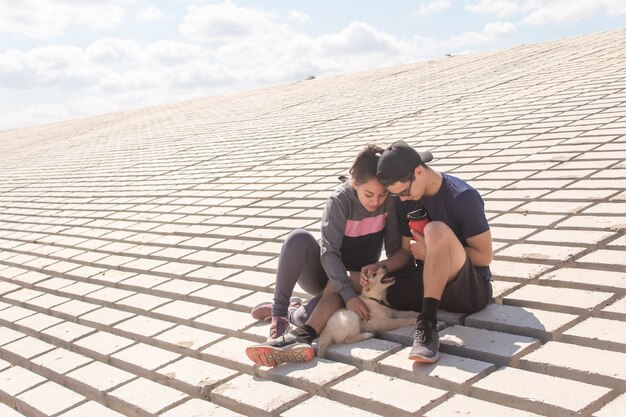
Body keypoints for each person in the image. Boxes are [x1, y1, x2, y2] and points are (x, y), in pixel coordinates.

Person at [245, 144, 421, 367]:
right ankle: (280, 314)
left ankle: (295, 314)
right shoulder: (339, 201)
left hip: (357, 276)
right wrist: (349, 296)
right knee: (297, 238)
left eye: (382, 194)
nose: (375, 201)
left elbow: (396, 252)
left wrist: (379, 266)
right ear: (355, 183)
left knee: (304, 319)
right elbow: (329, 254)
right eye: (368, 194)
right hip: (326, 272)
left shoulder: (389, 202)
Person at [376, 140, 493, 363]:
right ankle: (308, 318)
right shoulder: (405, 199)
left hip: (468, 288)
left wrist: (431, 252)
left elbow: (484, 255)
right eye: (396, 195)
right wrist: (381, 267)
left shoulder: (462, 197)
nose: (402, 199)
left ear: (419, 171)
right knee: (362, 284)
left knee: (435, 230)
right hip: (426, 279)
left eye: (404, 192)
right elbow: (405, 253)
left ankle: (426, 326)